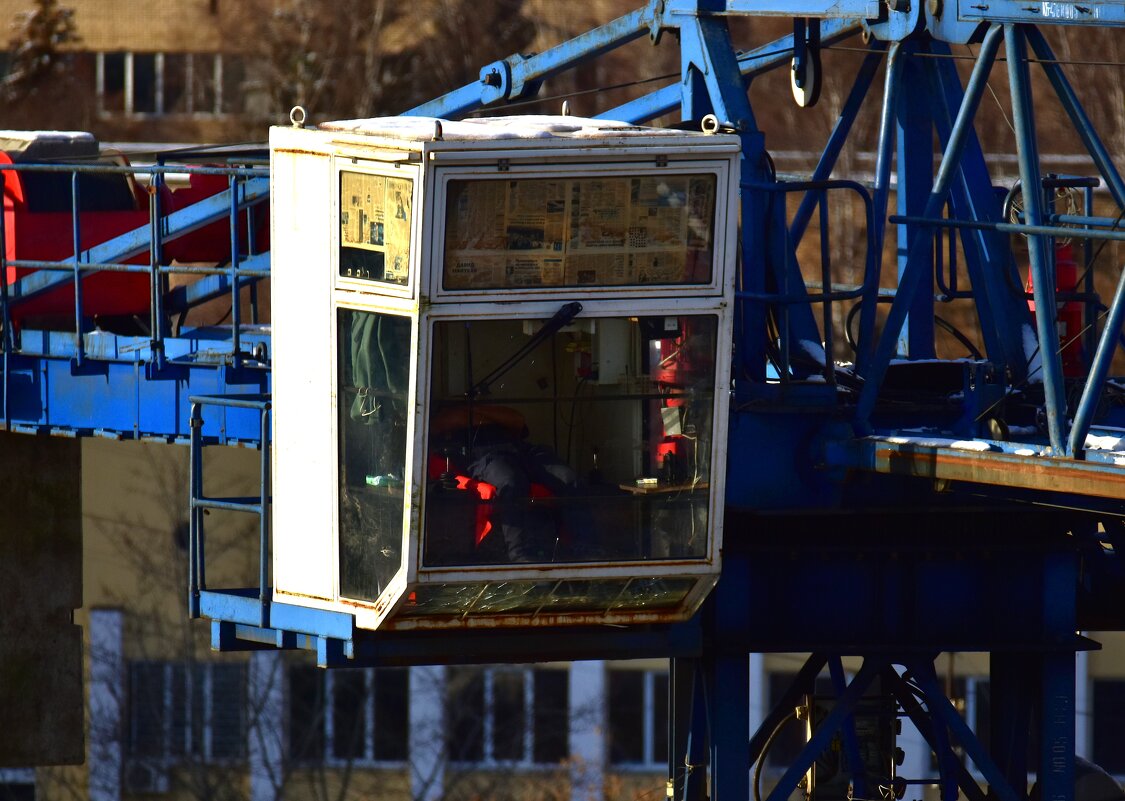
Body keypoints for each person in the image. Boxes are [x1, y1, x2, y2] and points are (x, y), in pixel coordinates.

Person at [429, 404, 587, 563]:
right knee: (511, 482)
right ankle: (519, 553)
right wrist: (488, 416)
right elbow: (449, 420)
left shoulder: (477, 410)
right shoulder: (442, 416)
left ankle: (587, 548)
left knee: (568, 478)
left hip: (523, 451)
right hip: (486, 456)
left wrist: (474, 410)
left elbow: (517, 420)